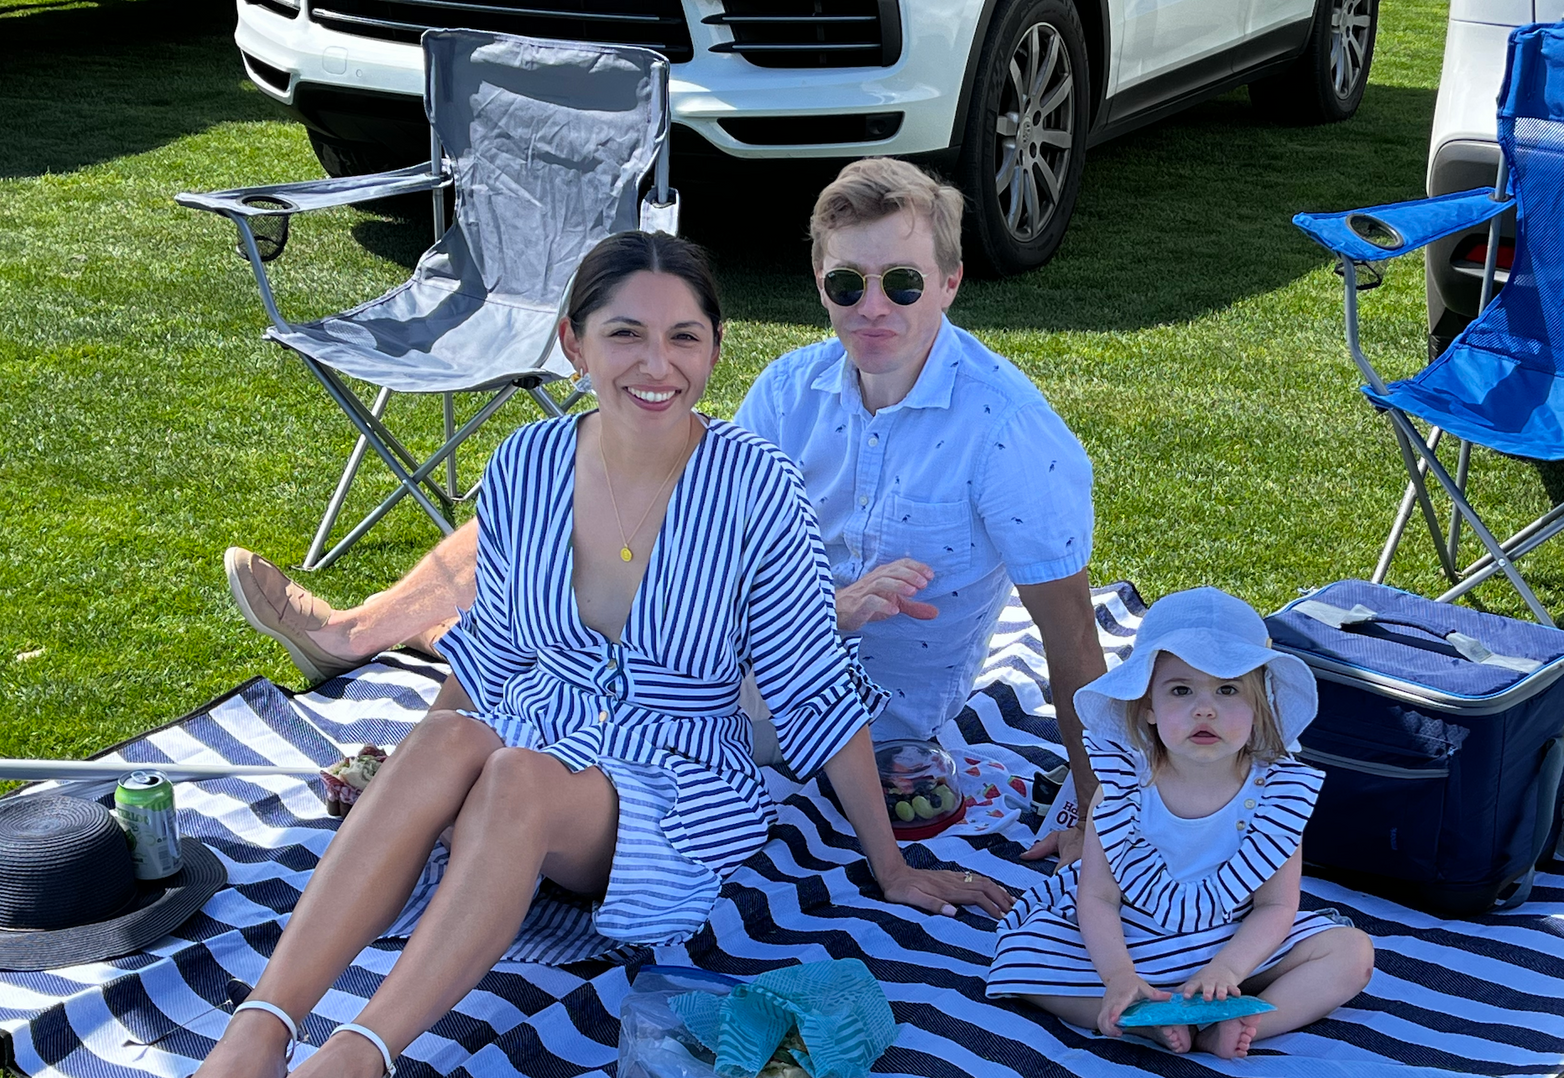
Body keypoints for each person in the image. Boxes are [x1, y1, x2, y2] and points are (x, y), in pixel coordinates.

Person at [138, 233, 1010, 1078]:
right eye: (625, 334)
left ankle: (349, 1073)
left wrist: (889, 862)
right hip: (535, 730)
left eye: (685, 337)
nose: (657, 364)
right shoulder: (528, 464)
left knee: (512, 770)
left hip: (671, 783)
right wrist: (421, 779)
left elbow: (809, 682)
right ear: (573, 344)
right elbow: (492, 656)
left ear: (715, 351)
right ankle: (258, 1036)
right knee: (451, 736)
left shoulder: (757, 486)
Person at [225, 159, 1108, 861]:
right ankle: (361, 633)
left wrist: (1096, 814)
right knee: (575, 479)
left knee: (570, 658)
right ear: (818, 279)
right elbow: (682, 516)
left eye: (903, 285)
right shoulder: (790, 388)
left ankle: (464, 791)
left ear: (951, 281)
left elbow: (1072, 644)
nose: (873, 309)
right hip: (733, 648)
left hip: (850, 712)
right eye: (849, 286)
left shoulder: (1008, 434)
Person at [986, 588, 1374, 1060]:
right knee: (1024, 955)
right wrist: (1118, 976)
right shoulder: (1124, 787)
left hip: (1234, 941)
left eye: (1227, 689)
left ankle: (1241, 1021)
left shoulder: (1275, 796)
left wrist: (1228, 970)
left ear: (1259, 706)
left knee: (1351, 953)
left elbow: (1275, 906)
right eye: (1181, 690)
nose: (1203, 708)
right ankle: (1136, 1015)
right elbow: (1098, 897)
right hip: (1129, 939)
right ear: (1147, 704)